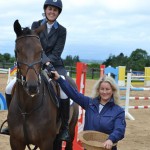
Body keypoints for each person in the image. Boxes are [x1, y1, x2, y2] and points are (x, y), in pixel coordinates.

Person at [2, 0, 71, 142]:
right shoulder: (36, 25)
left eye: (55, 10)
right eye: (50, 9)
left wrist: (47, 63)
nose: (52, 12)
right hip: (33, 64)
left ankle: (64, 127)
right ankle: (12, 122)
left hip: (55, 65)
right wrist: (41, 61)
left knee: (64, 91)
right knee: (9, 88)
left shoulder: (62, 30)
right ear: (45, 10)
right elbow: (33, 46)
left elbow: (57, 53)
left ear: (58, 13)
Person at [51, 71, 126, 150]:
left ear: (113, 91)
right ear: (98, 90)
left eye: (107, 89)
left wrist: (111, 139)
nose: (104, 92)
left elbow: (119, 129)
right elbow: (74, 94)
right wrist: (59, 79)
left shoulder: (118, 111)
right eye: (102, 89)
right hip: (89, 147)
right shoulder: (89, 103)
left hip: (106, 148)